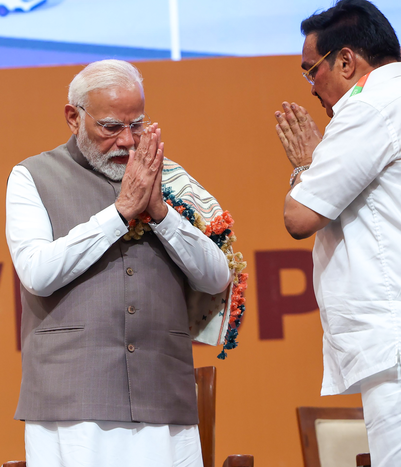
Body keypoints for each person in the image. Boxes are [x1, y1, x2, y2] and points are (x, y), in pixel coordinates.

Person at [6, 59, 237, 467]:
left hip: (163, 395)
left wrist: (162, 214)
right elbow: (37, 274)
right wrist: (119, 214)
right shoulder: (32, 176)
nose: (128, 141)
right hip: (74, 400)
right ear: (73, 117)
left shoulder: (169, 179)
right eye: (111, 127)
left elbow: (218, 277)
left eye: (137, 125)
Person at [275, 0, 401, 465]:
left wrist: (305, 166)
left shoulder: (369, 107)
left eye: (311, 71)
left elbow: (299, 216)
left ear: (347, 61)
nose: (312, 86)